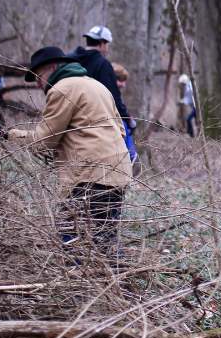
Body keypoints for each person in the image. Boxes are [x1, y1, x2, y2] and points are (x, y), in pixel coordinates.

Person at [9, 46, 133, 260]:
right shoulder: (97, 86)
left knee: (72, 238)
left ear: (54, 67)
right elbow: (120, 130)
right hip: (117, 171)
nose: (38, 83)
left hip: (89, 176)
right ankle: (116, 283)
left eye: (39, 76)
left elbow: (43, 141)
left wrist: (9, 135)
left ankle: (78, 285)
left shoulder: (62, 89)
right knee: (105, 237)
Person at [72, 25, 136, 162]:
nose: (107, 49)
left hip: (70, 120)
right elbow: (113, 98)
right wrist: (127, 119)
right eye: (107, 45)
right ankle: (130, 160)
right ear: (102, 44)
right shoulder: (103, 65)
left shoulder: (70, 59)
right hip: (97, 123)